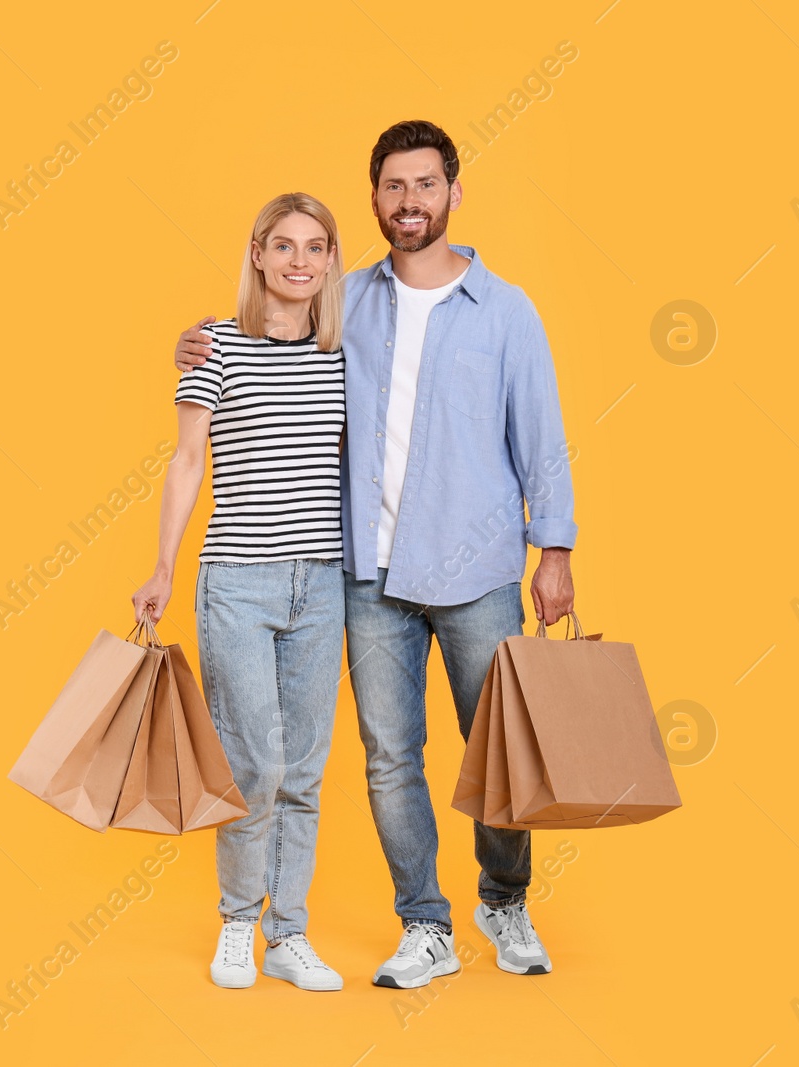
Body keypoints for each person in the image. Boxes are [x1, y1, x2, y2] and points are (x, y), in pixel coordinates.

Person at [173, 120, 578, 989]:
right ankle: (423, 921)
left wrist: (556, 546)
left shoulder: (505, 310)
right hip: (365, 574)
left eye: (426, 185)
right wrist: (199, 344)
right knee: (390, 756)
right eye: (394, 188)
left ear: (453, 194)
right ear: (376, 199)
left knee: (495, 745)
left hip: (477, 573)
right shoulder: (343, 301)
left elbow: (542, 435)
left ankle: (503, 898)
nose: (410, 203)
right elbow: (269, 331)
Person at [132, 193, 348, 992]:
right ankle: (237, 923)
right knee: (255, 762)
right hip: (238, 583)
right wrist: (163, 565)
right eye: (284, 245)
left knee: (306, 767)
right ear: (257, 254)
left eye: (316, 247)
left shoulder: (342, 353)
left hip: (323, 586)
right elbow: (188, 460)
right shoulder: (215, 348)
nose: (300, 260)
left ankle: (290, 935)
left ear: (330, 260)